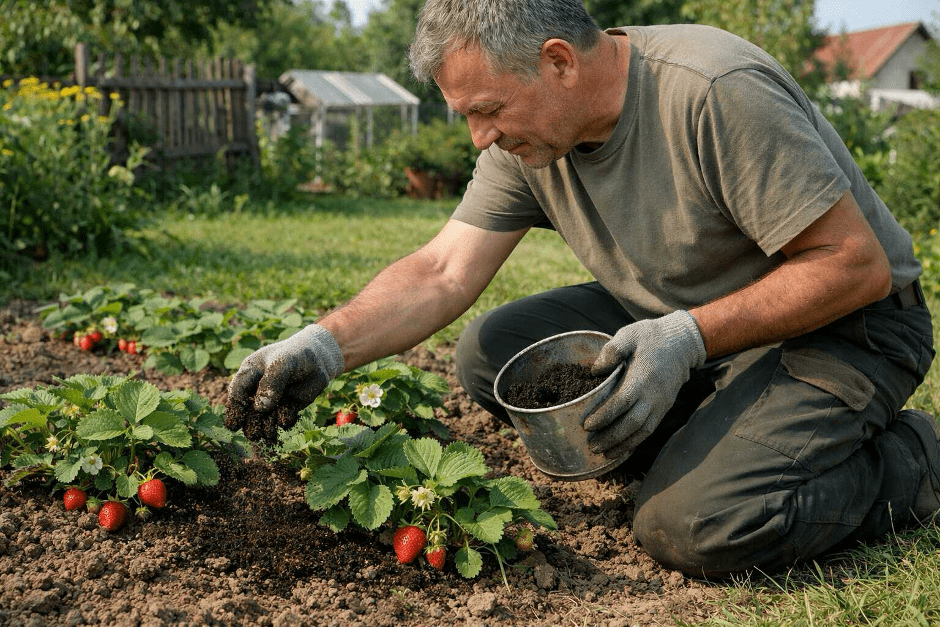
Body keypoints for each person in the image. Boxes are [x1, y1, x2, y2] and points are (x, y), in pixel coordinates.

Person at [226, 0, 938, 577]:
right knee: (492, 351)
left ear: (557, 62)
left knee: (691, 524)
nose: (477, 137)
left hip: (844, 327)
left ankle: (914, 460)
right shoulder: (528, 135)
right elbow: (443, 270)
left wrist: (686, 337)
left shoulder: (713, 92)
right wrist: (324, 344)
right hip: (686, 324)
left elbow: (853, 265)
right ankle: (716, 425)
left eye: (485, 109)